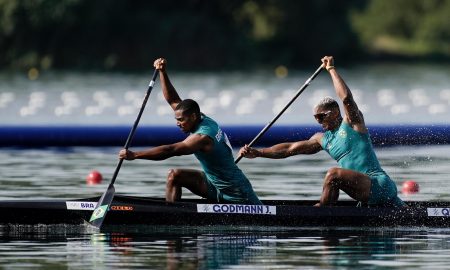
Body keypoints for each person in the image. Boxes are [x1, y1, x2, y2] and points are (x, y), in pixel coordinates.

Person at [239, 56, 405, 207]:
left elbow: (346, 98)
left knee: (333, 174)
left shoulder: (353, 123)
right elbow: (289, 149)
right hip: (364, 192)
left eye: (321, 116)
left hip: (379, 184)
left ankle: (321, 212)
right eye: (315, 118)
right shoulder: (322, 139)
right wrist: (259, 152)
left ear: (335, 113)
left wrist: (331, 69)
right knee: (334, 178)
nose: (318, 121)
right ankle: (327, 215)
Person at [119, 58, 262, 205]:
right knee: (174, 176)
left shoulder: (203, 136)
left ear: (193, 116)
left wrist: (135, 155)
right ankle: (171, 216)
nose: (178, 123)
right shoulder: (199, 117)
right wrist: (162, 72)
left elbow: (171, 150)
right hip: (212, 185)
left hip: (237, 192)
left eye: (181, 120)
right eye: (177, 119)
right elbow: (173, 99)